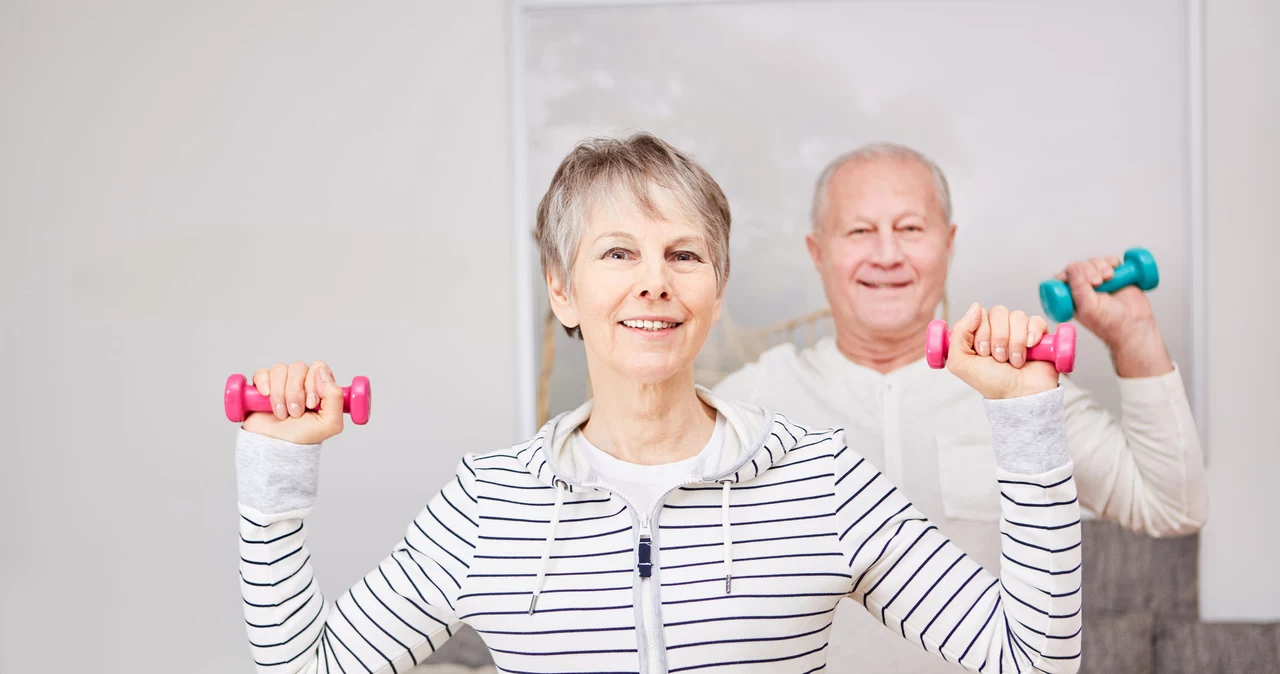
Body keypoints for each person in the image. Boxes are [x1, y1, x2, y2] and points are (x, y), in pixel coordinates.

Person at [235, 133, 1083, 674]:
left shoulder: (820, 479)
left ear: (715, 290)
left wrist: (1025, 420)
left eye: (684, 253)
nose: (653, 281)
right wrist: (276, 478)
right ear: (561, 291)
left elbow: (1033, 661)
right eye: (616, 253)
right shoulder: (488, 502)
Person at [713, 142, 1207, 673]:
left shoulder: (1018, 390)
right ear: (818, 251)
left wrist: (1133, 336)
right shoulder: (752, 400)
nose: (886, 254)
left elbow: (1172, 507)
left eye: (910, 228)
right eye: (859, 231)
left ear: (947, 244)